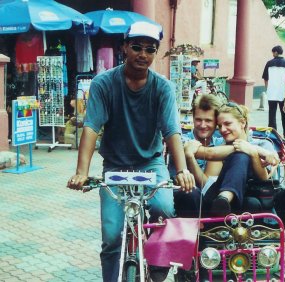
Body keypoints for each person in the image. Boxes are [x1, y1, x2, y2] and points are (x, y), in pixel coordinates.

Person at [66, 21, 195, 282]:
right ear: (125, 47)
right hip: (114, 167)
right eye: (136, 47)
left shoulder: (163, 88)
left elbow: (172, 131)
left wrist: (181, 170)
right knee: (112, 236)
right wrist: (81, 172)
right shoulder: (104, 84)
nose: (143, 54)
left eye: (150, 49)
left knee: (163, 210)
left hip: (151, 164)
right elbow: (91, 127)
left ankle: (158, 268)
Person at [180, 102, 285, 281]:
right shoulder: (220, 147)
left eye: (227, 124)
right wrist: (191, 159)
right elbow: (207, 182)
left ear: (242, 122)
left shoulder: (264, 142)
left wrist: (254, 152)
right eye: (220, 126)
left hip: (261, 198)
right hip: (227, 205)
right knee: (239, 155)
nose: (223, 129)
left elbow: (266, 177)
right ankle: (226, 197)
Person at [262, 45, 285, 140]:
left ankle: (273, 134)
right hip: (283, 93)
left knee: (272, 114)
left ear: (275, 52)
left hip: (271, 92)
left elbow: (266, 78)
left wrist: (267, 89)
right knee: (284, 114)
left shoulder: (269, 63)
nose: (272, 54)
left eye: (273, 52)